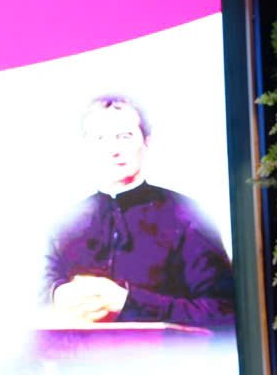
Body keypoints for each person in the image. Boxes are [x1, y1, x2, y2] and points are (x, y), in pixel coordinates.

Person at [43, 96, 234, 327]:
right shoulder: (63, 225)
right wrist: (58, 295)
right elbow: (35, 294)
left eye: (124, 136)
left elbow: (224, 312)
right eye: (100, 138)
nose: (113, 150)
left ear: (147, 142)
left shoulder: (186, 215)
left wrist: (127, 302)